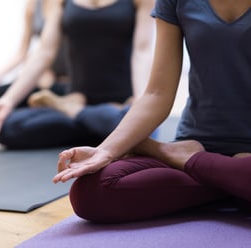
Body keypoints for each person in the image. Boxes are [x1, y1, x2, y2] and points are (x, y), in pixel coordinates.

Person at [53, 0, 251, 223]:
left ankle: (213, 171)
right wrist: (107, 151)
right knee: (92, 192)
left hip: (214, 156)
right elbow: (157, 93)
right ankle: (234, 181)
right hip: (199, 143)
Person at [0, 0, 156, 149]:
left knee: (145, 132)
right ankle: (98, 124)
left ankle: (85, 118)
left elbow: (143, 52)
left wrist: (140, 101)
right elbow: (44, 53)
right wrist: (8, 100)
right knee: (7, 129)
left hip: (122, 102)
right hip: (77, 97)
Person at [0, 0, 70, 107]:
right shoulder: (33, 5)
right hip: (44, 74)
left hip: (67, 76)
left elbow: (47, 52)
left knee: (51, 90)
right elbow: (22, 53)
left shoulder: (66, 5)